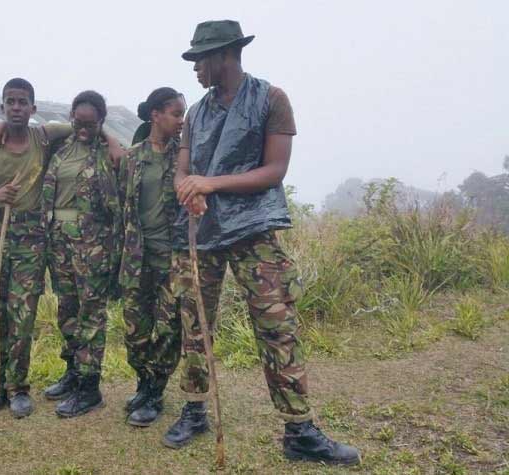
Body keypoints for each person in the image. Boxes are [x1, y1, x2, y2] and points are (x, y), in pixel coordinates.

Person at [164, 20, 361, 465]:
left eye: (200, 60)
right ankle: (195, 411)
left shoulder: (271, 99)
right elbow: (183, 168)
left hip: (254, 229)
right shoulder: (195, 113)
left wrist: (209, 183)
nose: (195, 70)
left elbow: (274, 171)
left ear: (224, 56)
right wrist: (187, 189)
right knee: (194, 326)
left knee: (277, 328)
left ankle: (300, 431)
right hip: (201, 232)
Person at [0, 78, 71, 419]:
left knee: (23, 315)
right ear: (2, 107)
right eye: (10, 102)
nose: (16, 107)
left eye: (22, 102)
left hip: (30, 238)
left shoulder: (44, 137)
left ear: (33, 109)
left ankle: (20, 388)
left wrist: (113, 142)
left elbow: (87, 122)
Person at [40, 90, 123, 418]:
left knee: (91, 315)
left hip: (93, 247)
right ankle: (73, 372)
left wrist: (109, 138)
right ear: (71, 118)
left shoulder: (109, 154)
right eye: (78, 121)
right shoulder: (60, 150)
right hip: (60, 243)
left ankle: (90, 388)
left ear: (101, 122)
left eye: (91, 123)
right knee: (68, 311)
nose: (83, 127)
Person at [117, 87, 186, 427]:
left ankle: (156, 391)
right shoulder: (132, 158)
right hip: (136, 257)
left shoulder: (184, 158)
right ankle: (143, 382)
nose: (181, 120)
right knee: (134, 328)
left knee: (170, 327)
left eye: (182, 114)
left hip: (172, 257)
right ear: (155, 115)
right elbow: (121, 208)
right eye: (175, 113)